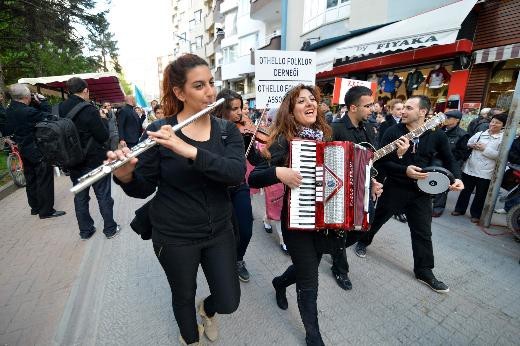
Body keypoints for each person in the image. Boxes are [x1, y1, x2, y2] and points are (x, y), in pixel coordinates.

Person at [108, 54, 244, 345]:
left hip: (219, 230)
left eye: (211, 83)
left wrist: (190, 151)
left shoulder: (226, 130)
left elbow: (234, 173)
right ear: (180, 93)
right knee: (182, 295)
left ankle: (207, 311)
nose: (210, 91)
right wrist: (125, 175)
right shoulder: (160, 131)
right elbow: (142, 188)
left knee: (229, 300)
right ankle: (190, 338)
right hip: (174, 235)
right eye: (199, 86)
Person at [249, 85, 378, 345]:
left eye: (312, 99)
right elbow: (254, 176)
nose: (309, 103)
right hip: (296, 221)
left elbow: (344, 172)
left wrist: (367, 185)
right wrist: (279, 173)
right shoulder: (284, 140)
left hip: (323, 221)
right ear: (291, 110)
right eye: (301, 101)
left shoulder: (326, 135)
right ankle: (313, 336)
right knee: (310, 277)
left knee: (304, 266)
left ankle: (278, 282)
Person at [351, 95, 464, 293]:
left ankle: (424, 271)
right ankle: (363, 241)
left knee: (423, 231)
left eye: (409, 108)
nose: (403, 111)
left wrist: (456, 178)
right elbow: (380, 162)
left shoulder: (437, 135)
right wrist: (404, 168)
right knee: (377, 219)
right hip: (396, 187)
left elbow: (450, 159)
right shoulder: (392, 131)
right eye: (402, 108)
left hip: (422, 192)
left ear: (423, 112)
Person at [330, 85, 381, 291]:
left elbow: (371, 159)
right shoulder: (334, 129)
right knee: (341, 230)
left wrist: (374, 180)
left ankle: (334, 249)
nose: (372, 109)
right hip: (341, 190)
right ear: (353, 107)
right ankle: (340, 268)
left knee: (364, 226)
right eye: (367, 106)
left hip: (365, 186)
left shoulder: (369, 128)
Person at [60, 77, 120, 240]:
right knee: (103, 195)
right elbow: (102, 135)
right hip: (95, 160)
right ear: (85, 90)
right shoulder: (89, 109)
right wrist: (102, 118)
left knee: (80, 197)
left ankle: (85, 231)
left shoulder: (62, 107)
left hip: (74, 160)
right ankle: (110, 229)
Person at [213, 88, 263, 282]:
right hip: (218, 189)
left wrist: (266, 154)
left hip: (239, 185)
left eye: (240, 108)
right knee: (222, 231)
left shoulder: (245, 132)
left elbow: (254, 159)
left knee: (245, 229)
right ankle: (221, 261)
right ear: (221, 110)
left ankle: (238, 259)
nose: (240, 113)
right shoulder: (211, 130)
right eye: (234, 109)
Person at [4, 84, 66, 219]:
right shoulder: (27, 111)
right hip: (36, 149)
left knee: (31, 178)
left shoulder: (10, 110)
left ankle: (35, 207)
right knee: (44, 178)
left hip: (23, 148)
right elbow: (50, 116)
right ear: (26, 96)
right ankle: (46, 211)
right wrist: (43, 102)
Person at [452, 113, 507, 223]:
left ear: (503, 125)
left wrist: (484, 149)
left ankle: (475, 214)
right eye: (492, 121)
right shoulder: (481, 133)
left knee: (480, 194)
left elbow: (499, 156)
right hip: (470, 167)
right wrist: (473, 145)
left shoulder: (502, 139)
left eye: (497, 123)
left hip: (486, 171)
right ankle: (459, 209)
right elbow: (469, 143)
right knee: (465, 191)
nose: (493, 124)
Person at [377, 98, 408, 223]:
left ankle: (399, 211)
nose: (401, 111)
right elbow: (382, 144)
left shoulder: (406, 123)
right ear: (391, 110)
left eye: (403, 109)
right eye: (398, 109)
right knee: (381, 185)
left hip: (401, 158)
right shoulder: (386, 124)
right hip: (386, 158)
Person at [432, 110, 468, 217]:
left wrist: (445, 156)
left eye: (448, 118)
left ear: (456, 120)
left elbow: (461, 153)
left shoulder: (462, 135)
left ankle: (438, 208)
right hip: (433, 161)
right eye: (445, 117)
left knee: (442, 185)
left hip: (448, 164)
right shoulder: (438, 130)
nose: (445, 120)